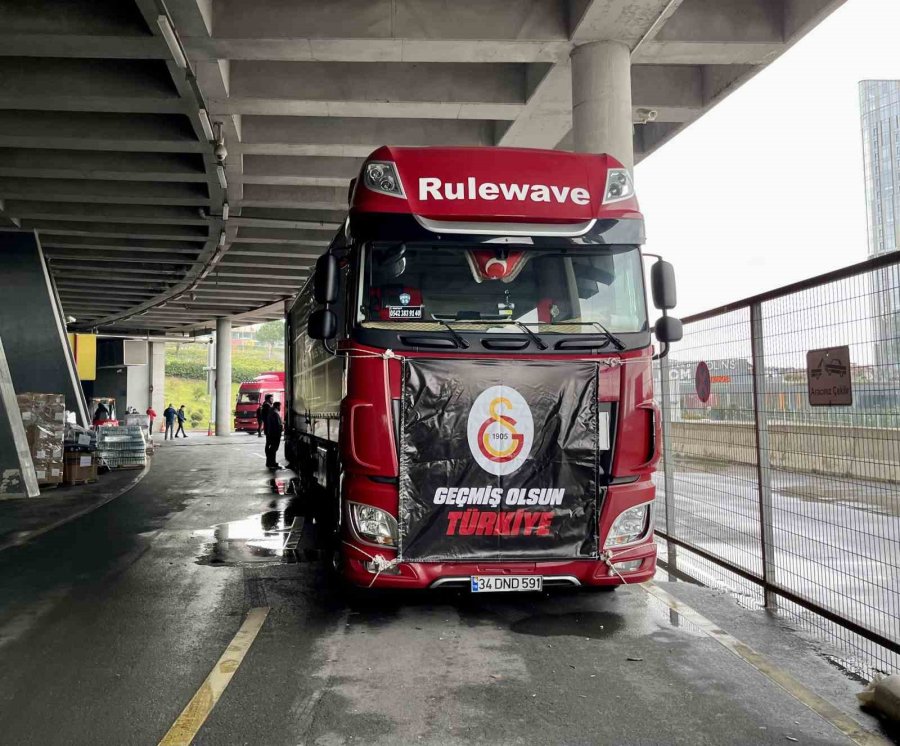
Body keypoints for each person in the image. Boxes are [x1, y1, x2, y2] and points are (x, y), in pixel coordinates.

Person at [264, 401, 283, 469]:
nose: (280, 407)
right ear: (277, 406)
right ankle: (271, 463)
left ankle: (271, 462)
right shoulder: (274, 413)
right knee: (273, 449)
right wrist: (281, 428)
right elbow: (277, 424)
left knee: (272, 449)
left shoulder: (271, 412)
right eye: (279, 406)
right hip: (275, 434)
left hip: (272, 433)